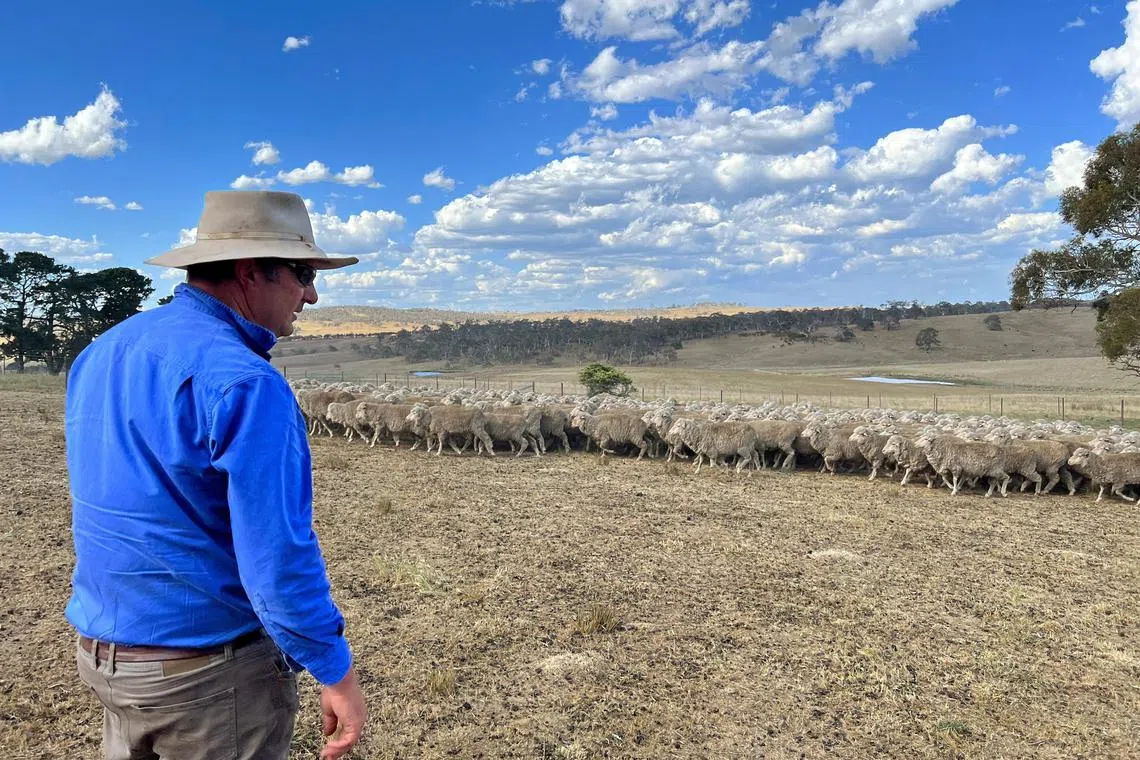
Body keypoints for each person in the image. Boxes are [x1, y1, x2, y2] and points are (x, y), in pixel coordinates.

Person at [64, 190, 368, 760]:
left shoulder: (102, 352)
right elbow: (278, 558)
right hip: (207, 677)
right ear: (251, 273)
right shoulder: (246, 383)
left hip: (108, 657)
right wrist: (334, 670)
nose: (312, 293)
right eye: (302, 273)